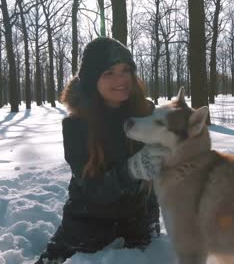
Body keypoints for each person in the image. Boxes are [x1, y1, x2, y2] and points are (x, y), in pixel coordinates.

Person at [36, 37, 168, 264]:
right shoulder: (76, 125)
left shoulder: (146, 114)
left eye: (126, 70)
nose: (121, 79)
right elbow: (92, 189)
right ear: (91, 80)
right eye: (109, 73)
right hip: (88, 227)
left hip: (140, 225)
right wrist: (132, 169)